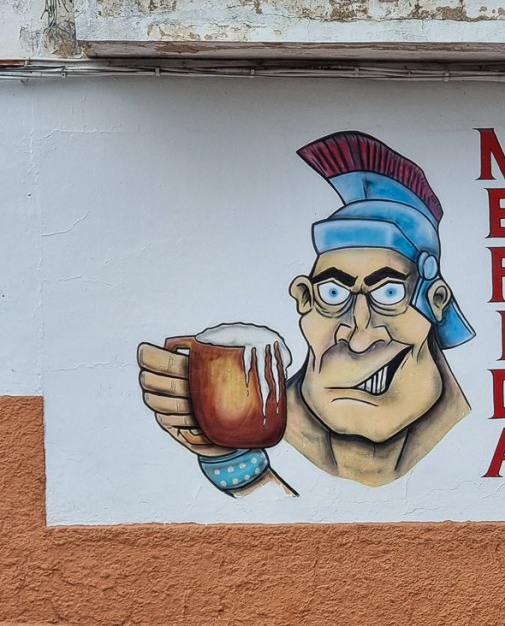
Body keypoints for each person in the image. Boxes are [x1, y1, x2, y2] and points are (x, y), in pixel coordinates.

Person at [138, 131, 475, 492]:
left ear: (436, 301)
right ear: (304, 298)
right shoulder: (279, 429)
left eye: (389, 293)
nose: (359, 337)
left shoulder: (466, 433)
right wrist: (227, 454)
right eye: (334, 293)